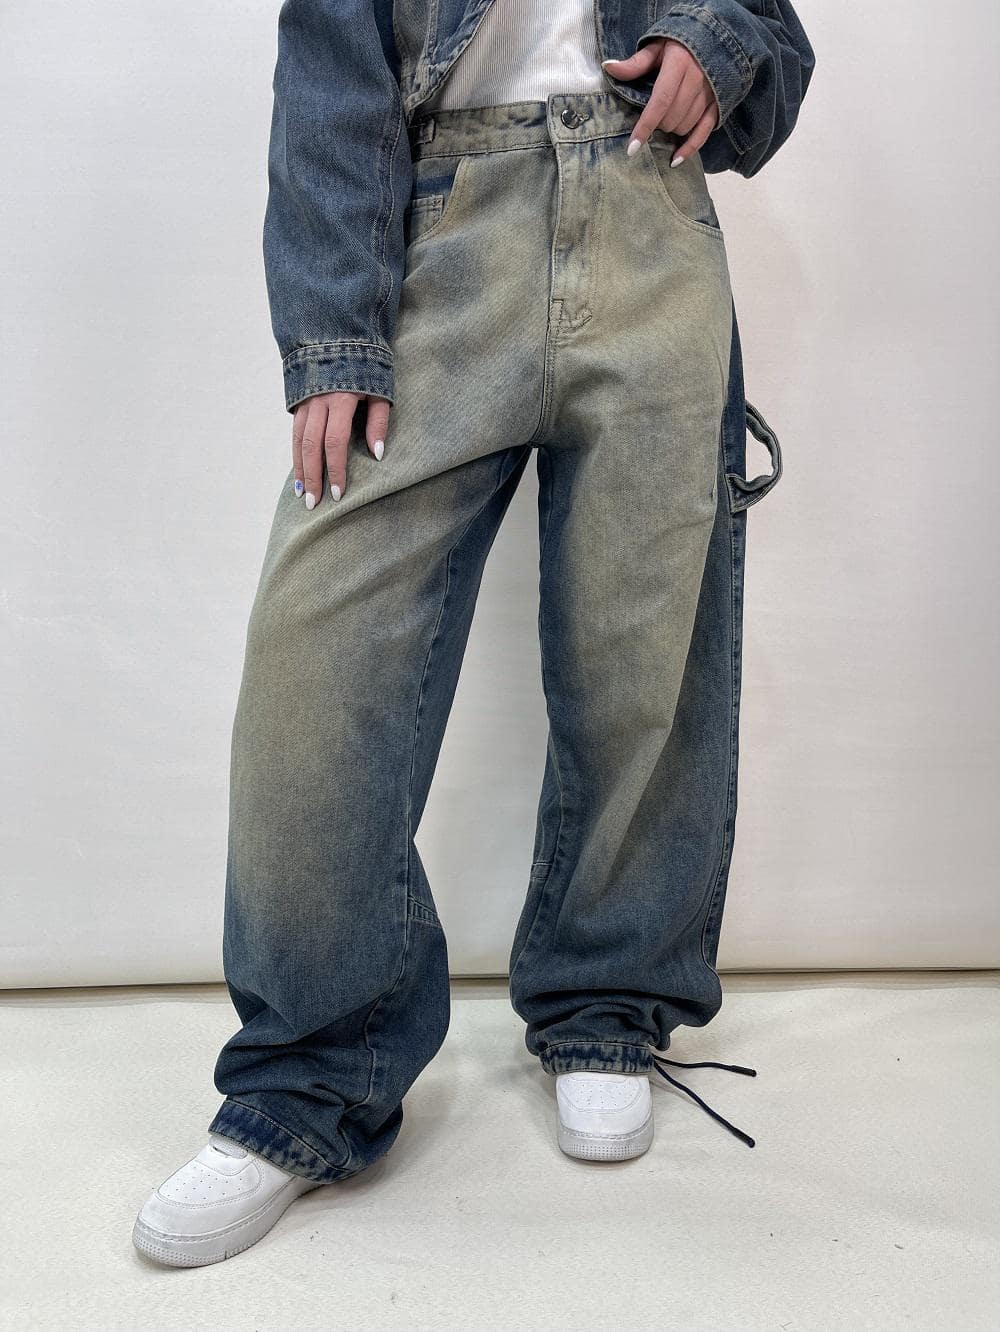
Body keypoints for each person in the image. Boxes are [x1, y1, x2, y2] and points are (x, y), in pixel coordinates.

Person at [132, 0, 815, 1267]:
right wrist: (333, 332)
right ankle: (308, 1080)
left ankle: (608, 1004)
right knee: (318, 663)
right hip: (438, 231)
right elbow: (330, 76)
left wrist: (711, 47)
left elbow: (772, 39)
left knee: (643, 653)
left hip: (650, 219)